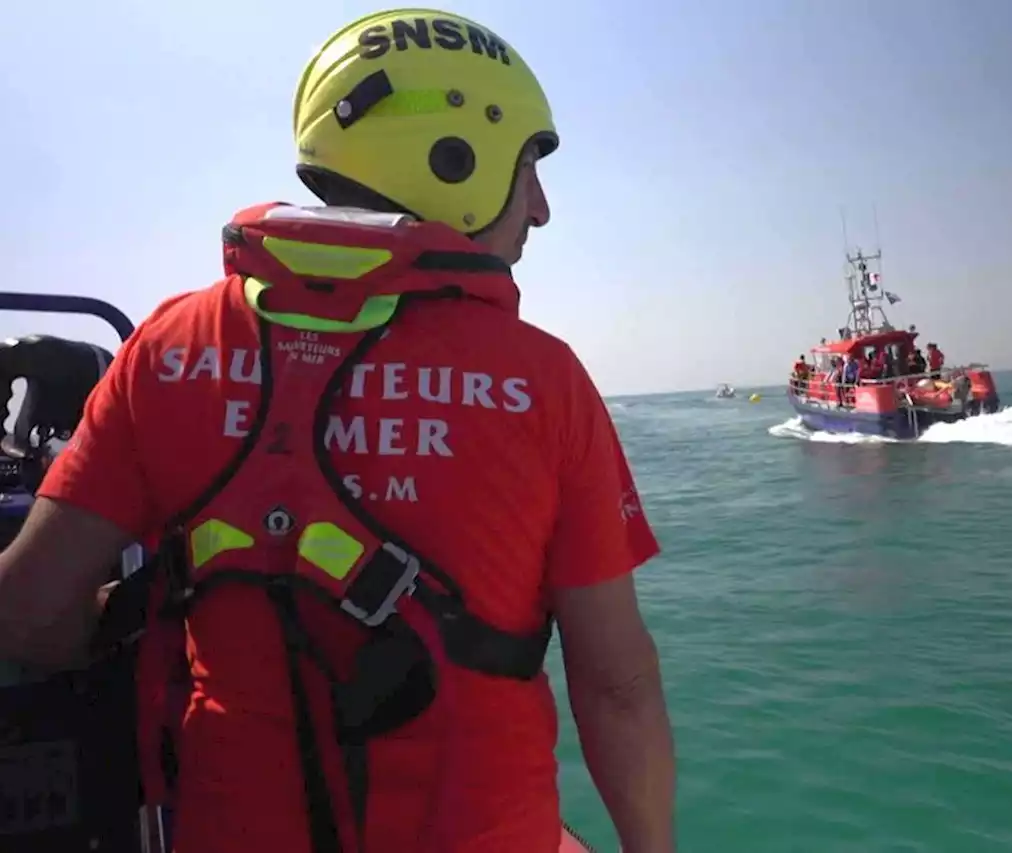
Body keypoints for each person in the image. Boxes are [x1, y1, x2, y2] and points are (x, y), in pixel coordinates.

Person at [0, 8, 675, 853]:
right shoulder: (544, 381)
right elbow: (616, 686)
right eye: (528, 165)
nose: (539, 210)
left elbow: (25, 611)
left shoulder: (166, 349)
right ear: (451, 160)